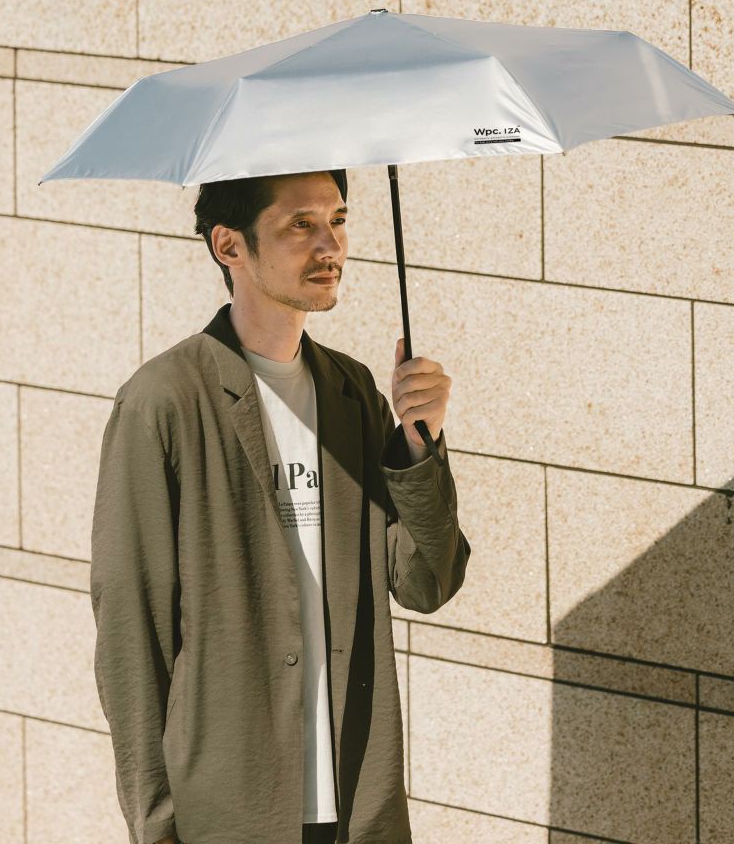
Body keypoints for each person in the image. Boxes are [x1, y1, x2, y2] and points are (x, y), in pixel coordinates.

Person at [90, 168, 471, 844]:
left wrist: (421, 445)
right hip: (230, 811)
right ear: (229, 245)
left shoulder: (354, 392)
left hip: (357, 805)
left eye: (338, 219)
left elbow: (425, 582)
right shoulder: (163, 402)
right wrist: (156, 826)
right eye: (302, 224)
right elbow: (131, 634)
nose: (331, 245)